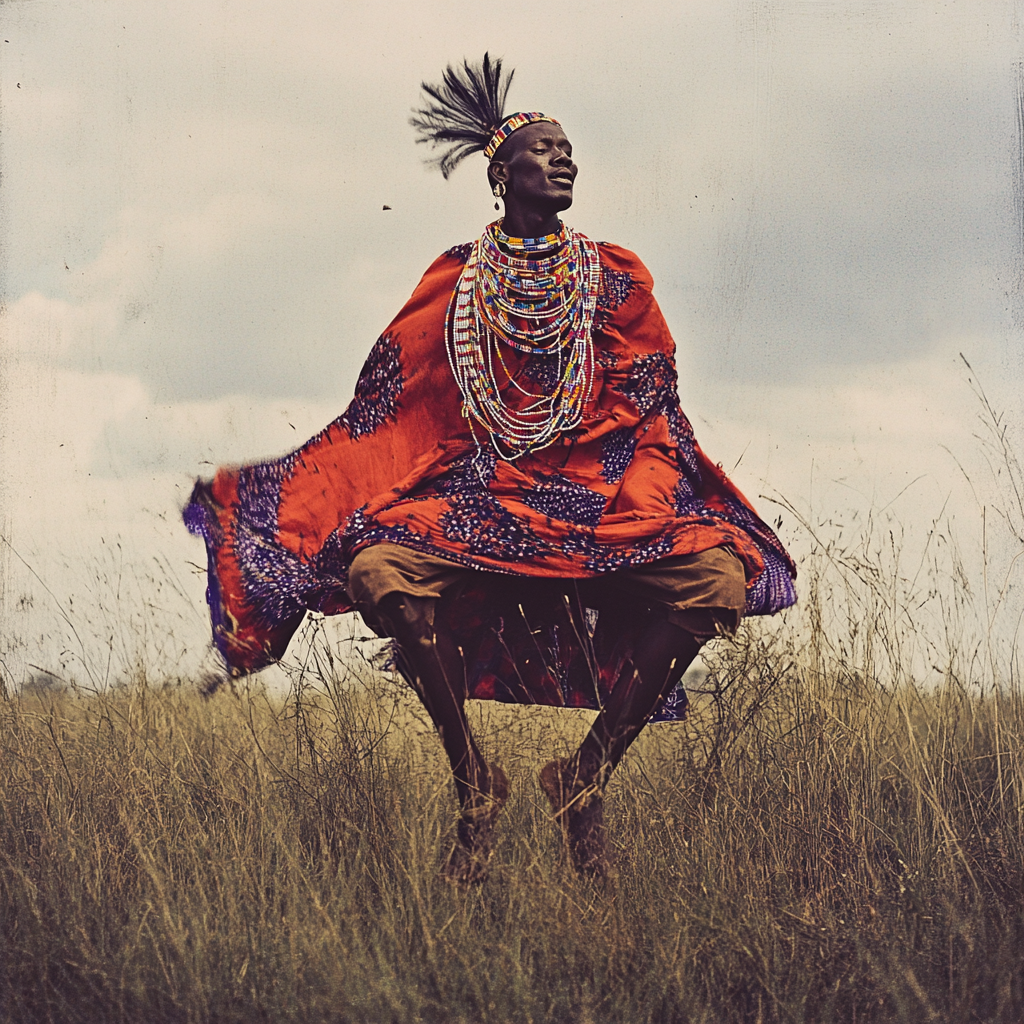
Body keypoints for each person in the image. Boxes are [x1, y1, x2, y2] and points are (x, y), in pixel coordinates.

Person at [185, 55, 796, 883]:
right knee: (379, 570)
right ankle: (474, 779)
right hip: (485, 497)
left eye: (570, 148)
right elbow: (393, 406)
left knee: (718, 582)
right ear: (500, 174)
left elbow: (654, 410)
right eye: (545, 149)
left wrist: (616, 495)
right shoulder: (457, 279)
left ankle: (584, 779)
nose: (565, 158)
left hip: (601, 496)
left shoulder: (615, 275)